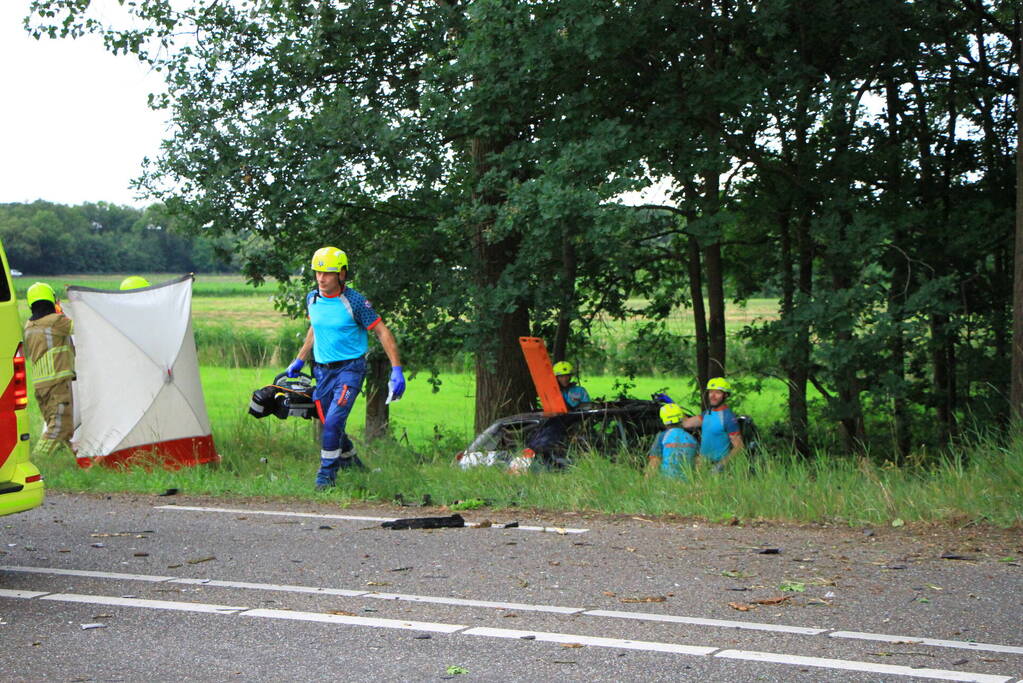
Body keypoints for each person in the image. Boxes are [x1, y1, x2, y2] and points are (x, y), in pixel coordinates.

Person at [285, 247, 405, 489]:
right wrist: (299, 359)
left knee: (332, 423)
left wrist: (396, 369)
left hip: (350, 370)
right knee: (330, 422)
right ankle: (353, 464)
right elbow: (315, 329)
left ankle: (325, 477)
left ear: (341, 274)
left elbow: (382, 331)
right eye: (318, 272)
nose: (321, 278)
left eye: (327, 273)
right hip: (322, 371)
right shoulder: (312, 298)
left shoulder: (355, 302)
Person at [23, 282, 76, 456]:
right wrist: (61, 309)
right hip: (56, 382)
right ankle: (39, 459)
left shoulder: (29, 326)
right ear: (51, 300)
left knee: (60, 428)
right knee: (60, 426)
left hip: (40, 385)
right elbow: (81, 328)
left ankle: (68, 460)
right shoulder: (56, 321)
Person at [683, 377, 743, 471]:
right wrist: (670, 405)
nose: (712, 395)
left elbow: (739, 447)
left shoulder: (728, 417)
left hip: (718, 469)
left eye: (717, 392)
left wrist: (720, 465)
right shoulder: (707, 414)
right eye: (711, 392)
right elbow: (685, 423)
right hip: (702, 466)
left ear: (726, 395)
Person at [647, 403, 698, 479]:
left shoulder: (662, 437)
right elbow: (699, 462)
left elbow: (655, 461)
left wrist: (646, 481)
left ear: (663, 420)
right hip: (688, 483)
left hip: (667, 483)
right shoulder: (691, 438)